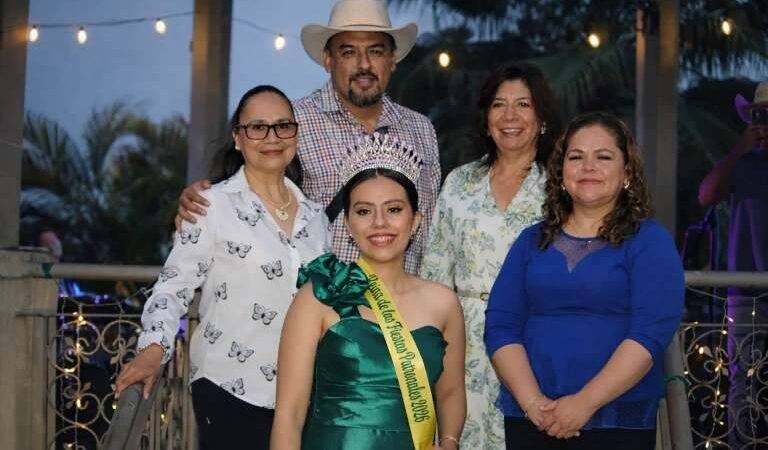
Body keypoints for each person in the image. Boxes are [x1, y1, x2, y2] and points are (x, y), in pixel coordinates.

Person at [114, 85, 330, 450]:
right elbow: (173, 286)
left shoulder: (316, 218)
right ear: (237, 138)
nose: (272, 137)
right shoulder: (211, 206)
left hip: (302, 396)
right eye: (257, 127)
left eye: (282, 126)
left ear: (296, 133)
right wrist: (153, 348)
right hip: (229, 386)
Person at [176, 0, 440, 274]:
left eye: (375, 51)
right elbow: (242, 201)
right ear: (328, 60)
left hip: (401, 309)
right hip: (321, 307)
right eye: (349, 52)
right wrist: (201, 200)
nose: (364, 64)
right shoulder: (290, 124)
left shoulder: (420, 129)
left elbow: (431, 234)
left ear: (392, 59)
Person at [484, 112, 685, 449]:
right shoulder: (530, 242)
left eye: (603, 157)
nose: (588, 166)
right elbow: (501, 325)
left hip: (617, 420)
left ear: (627, 174)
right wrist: (533, 402)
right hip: (533, 418)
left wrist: (584, 403)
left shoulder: (650, 242)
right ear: (561, 174)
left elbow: (650, 334)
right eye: (576, 157)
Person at [270, 134, 466, 450]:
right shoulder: (319, 295)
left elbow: (451, 391)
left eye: (393, 209)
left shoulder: (443, 302)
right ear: (347, 223)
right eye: (363, 211)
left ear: (415, 220)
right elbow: (289, 415)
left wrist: (450, 441)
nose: (379, 223)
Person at [419, 62, 562, 449]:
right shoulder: (460, 181)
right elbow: (435, 270)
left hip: (532, 339)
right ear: (486, 118)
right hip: (459, 341)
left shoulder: (562, 186)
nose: (510, 116)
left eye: (523, 105)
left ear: (542, 117)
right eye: (499, 105)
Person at [698, 80, 768, 448]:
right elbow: (707, 193)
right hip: (745, 289)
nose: (763, 124)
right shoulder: (744, 164)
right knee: (742, 381)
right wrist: (744, 146)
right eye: (758, 116)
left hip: (748, 287)